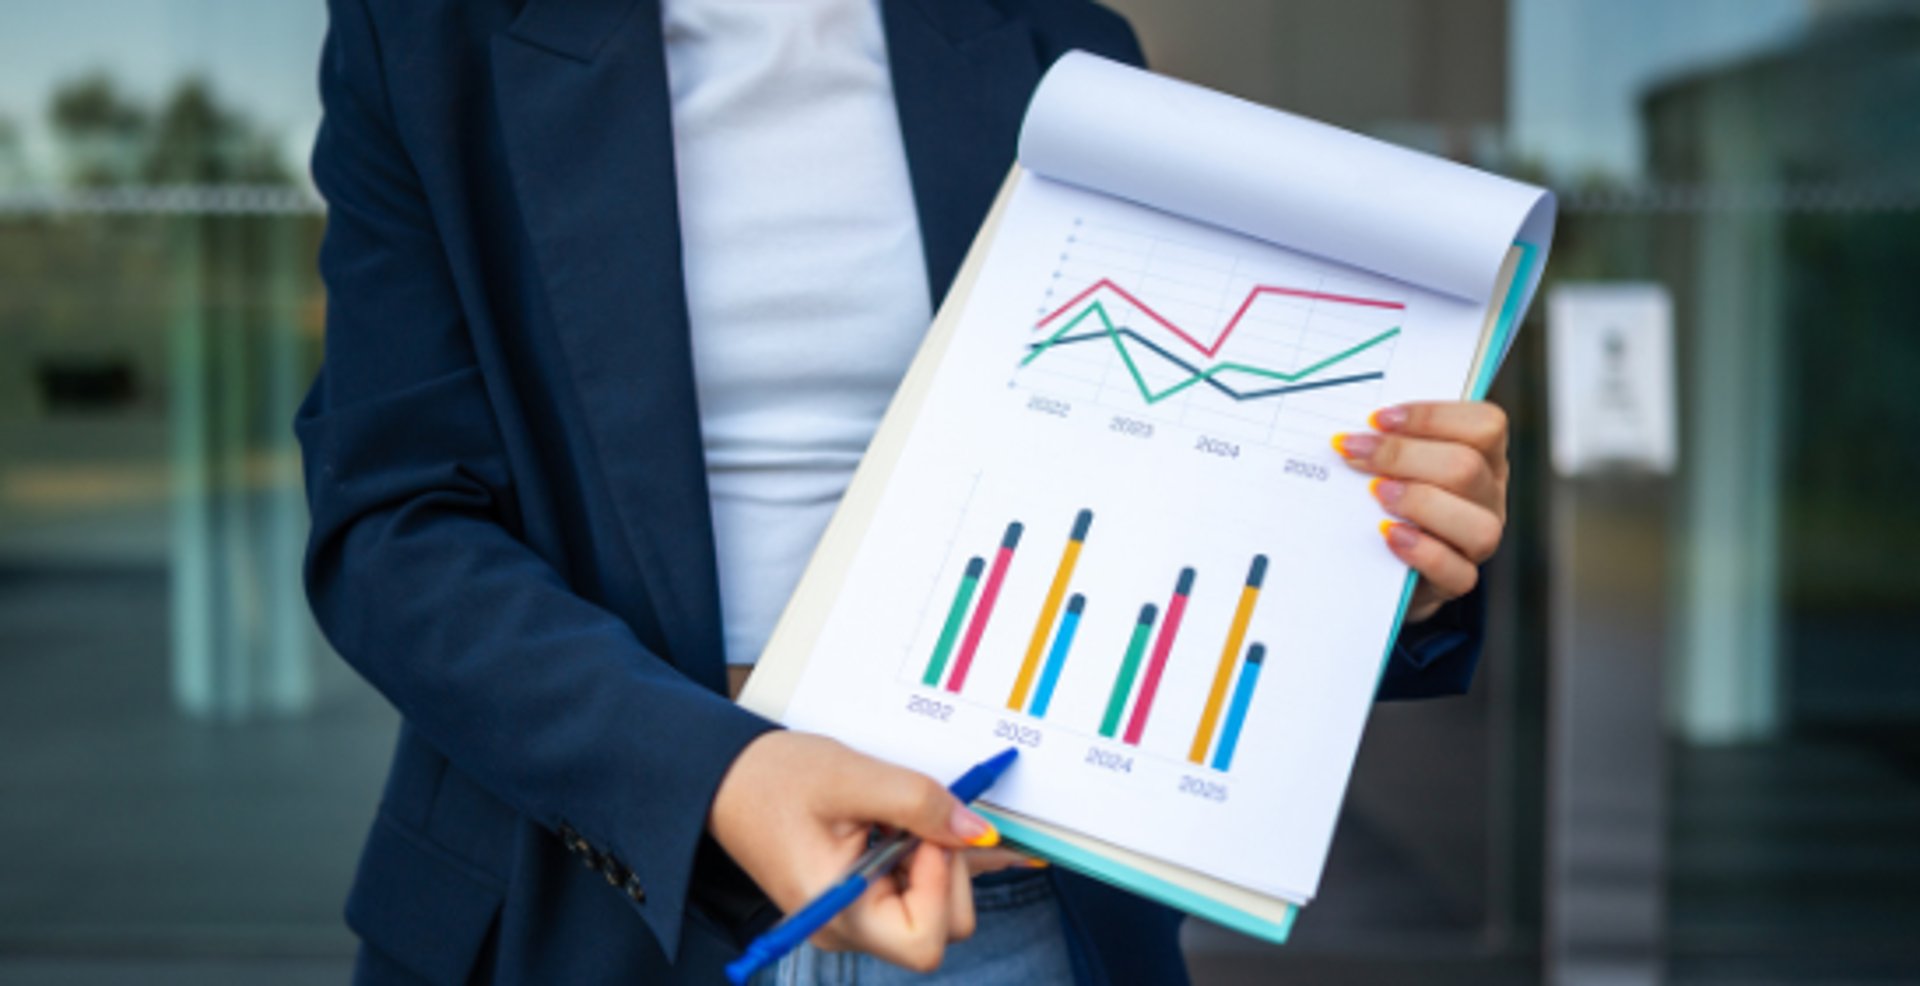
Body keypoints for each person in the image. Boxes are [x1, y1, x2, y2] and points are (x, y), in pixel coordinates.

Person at [297, 0, 1509, 983]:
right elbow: (394, 522)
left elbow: (1167, 468)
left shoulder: (1062, 46)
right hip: (583, 898)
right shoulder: (426, 37)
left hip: (1006, 895)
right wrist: (717, 773)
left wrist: (1372, 559)